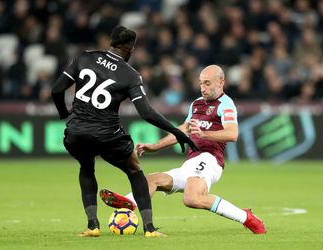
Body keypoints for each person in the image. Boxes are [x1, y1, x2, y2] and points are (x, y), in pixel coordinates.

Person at [51, 26, 199, 238]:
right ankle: (149, 228)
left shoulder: (83, 58)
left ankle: (92, 226)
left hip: (76, 130)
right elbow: (146, 113)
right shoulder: (130, 75)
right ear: (131, 50)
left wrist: (64, 114)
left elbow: (56, 90)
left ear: (111, 42)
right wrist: (176, 131)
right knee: (134, 170)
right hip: (107, 133)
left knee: (86, 166)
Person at [100, 65, 267, 234]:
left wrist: (204, 134)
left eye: (207, 83)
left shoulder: (226, 104)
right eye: (201, 83)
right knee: (150, 180)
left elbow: (232, 134)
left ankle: (246, 218)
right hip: (190, 164)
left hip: (209, 160)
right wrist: (155, 147)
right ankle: (129, 202)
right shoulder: (196, 104)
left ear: (221, 82)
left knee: (191, 198)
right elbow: (183, 130)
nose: (203, 88)